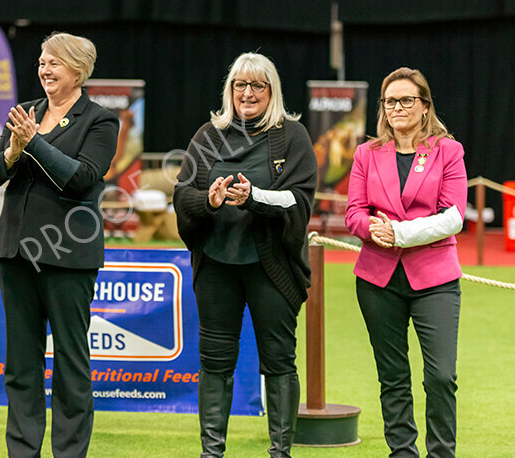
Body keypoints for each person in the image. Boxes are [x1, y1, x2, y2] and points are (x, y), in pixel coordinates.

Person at [0, 32, 119, 458]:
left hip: (67, 257)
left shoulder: (101, 120)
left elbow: (82, 178)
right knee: (21, 367)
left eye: (54, 62)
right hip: (16, 254)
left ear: (77, 70)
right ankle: (23, 451)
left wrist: (33, 143)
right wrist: (11, 151)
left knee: (71, 367)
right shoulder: (25, 113)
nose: (44, 69)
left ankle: (69, 452)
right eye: (42, 62)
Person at [173, 52, 317, 457]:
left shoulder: (292, 136)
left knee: (279, 361)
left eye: (257, 85)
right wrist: (210, 200)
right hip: (217, 267)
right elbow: (183, 195)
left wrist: (253, 197)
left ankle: (280, 452)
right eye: (240, 84)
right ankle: (211, 452)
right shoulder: (208, 135)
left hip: (271, 268)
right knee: (215, 363)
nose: (247, 93)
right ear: (230, 89)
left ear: (271, 91)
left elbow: (299, 200)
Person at [345, 67, 467, 457]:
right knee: (393, 377)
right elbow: (353, 213)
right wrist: (371, 229)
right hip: (377, 280)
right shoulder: (366, 153)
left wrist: (398, 233)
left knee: (442, 377)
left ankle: (441, 453)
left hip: (436, 279)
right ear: (382, 107)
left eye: (406, 100)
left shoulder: (448, 150)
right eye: (390, 101)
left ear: (424, 105)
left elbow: (453, 217)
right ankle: (402, 453)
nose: (397, 107)